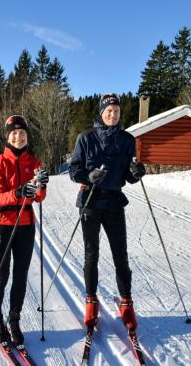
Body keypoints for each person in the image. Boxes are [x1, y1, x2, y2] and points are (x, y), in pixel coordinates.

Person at [69, 93, 146, 330]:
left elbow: (128, 176)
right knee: (91, 254)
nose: (113, 115)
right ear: (101, 112)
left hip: (114, 203)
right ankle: (91, 299)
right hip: (90, 202)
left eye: (117, 111)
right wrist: (88, 176)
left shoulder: (127, 139)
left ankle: (127, 302)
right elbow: (74, 170)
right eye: (109, 111)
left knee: (120, 255)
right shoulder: (85, 138)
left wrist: (136, 172)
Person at [0, 115, 48, 346]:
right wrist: (19, 192)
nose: (19, 137)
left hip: (25, 224)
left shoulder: (34, 162)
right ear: (7, 136)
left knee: (21, 275)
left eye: (22, 133)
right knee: (2, 274)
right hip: (1, 223)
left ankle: (14, 319)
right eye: (14, 133)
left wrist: (41, 184)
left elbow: (40, 197)